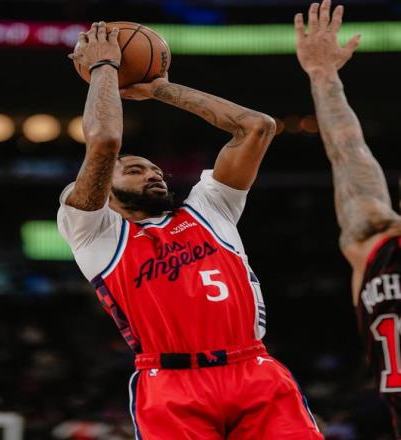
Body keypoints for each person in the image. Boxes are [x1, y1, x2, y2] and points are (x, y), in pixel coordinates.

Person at [58, 21, 323, 439]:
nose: (152, 174)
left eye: (155, 170)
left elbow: (257, 127)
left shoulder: (209, 208)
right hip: (170, 383)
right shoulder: (94, 234)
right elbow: (104, 142)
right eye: (135, 170)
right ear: (105, 189)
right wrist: (104, 68)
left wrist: (161, 89)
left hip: (253, 368)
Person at [294, 1, 401, 437]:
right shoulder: (377, 242)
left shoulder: (375, 248)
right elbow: (347, 151)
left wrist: (324, 76)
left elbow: (347, 151)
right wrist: (323, 76)